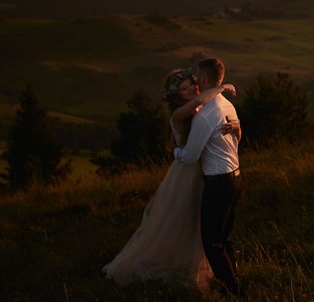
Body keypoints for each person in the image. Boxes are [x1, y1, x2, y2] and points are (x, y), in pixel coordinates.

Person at [102, 68, 239, 288]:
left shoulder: (203, 108)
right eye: (183, 88)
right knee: (180, 219)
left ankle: (200, 265)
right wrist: (220, 87)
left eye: (192, 84)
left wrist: (236, 126)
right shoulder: (180, 113)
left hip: (205, 171)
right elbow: (198, 104)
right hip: (186, 173)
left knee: (200, 223)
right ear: (175, 95)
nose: (191, 90)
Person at [174, 58, 242, 296]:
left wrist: (175, 152)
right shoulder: (227, 106)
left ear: (203, 80)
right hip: (235, 179)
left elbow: (191, 156)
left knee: (212, 242)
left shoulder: (205, 115)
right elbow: (236, 139)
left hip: (218, 182)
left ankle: (233, 292)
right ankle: (233, 279)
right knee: (224, 237)